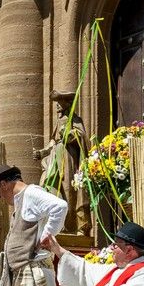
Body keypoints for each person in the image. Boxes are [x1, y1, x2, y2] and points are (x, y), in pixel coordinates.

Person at [34, 90, 91, 235]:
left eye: (60, 103)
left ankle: (71, 225)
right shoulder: (59, 121)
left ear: (67, 103)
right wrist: (42, 152)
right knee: (52, 188)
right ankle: (58, 224)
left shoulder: (75, 119)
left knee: (68, 189)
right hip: (55, 158)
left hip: (68, 158)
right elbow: (53, 141)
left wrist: (70, 134)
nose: (57, 106)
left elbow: (82, 137)